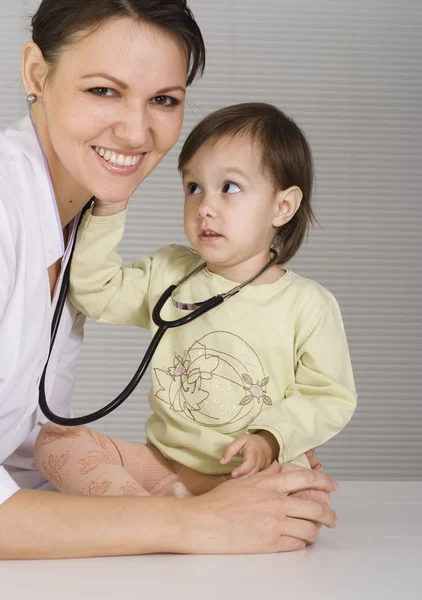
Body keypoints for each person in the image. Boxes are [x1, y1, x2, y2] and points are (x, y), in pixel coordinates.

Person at [0, 0, 339, 559]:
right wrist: (192, 522)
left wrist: (244, 462)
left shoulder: (76, 223)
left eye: (163, 100)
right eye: (103, 90)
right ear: (37, 73)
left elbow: (16, 456)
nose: (136, 131)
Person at [35, 102, 357, 505]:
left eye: (231, 187)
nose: (205, 205)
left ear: (282, 207)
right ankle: (171, 512)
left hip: (254, 472)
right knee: (54, 444)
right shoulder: (169, 273)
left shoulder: (308, 305)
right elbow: (95, 291)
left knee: (307, 503)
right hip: (167, 469)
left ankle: (175, 515)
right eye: (193, 187)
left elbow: (329, 395)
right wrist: (109, 208)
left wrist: (270, 439)